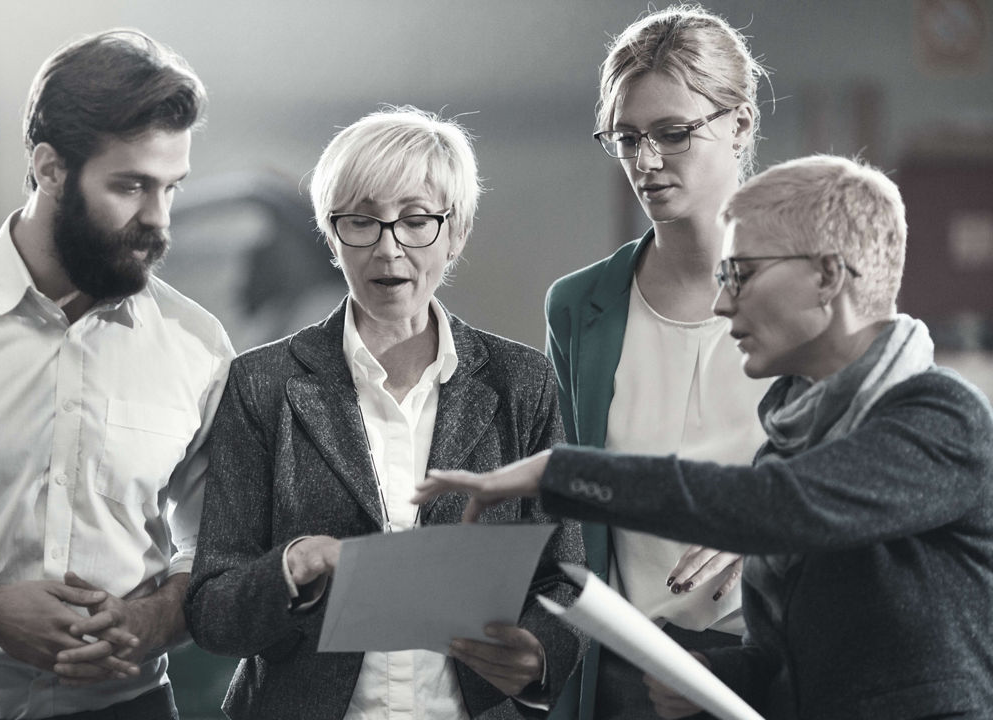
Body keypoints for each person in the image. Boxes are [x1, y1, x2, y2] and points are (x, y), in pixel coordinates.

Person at [416, 154, 993, 719]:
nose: (721, 302)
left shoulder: (940, 417)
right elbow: (796, 661)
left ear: (827, 276)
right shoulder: (795, 437)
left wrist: (561, 471)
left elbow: (778, 507)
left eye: (740, 275)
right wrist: (719, 678)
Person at [185, 107, 587, 719]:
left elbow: (567, 579)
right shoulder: (263, 383)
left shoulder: (523, 383)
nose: (388, 247)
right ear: (331, 234)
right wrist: (291, 567)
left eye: (417, 220)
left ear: (456, 234)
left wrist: (538, 652)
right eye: (361, 222)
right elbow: (213, 610)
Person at [0, 29, 233, 720]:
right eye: (131, 186)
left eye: (171, 187)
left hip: (131, 706)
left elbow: (219, 544)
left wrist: (159, 618)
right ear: (50, 169)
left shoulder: (197, 346)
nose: (158, 220)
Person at [543, 6, 772, 718]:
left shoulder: (815, 289)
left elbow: (867, 485)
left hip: (779, 665)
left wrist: (769, 527)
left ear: (738, 124)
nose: (645, 162)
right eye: (626, 138)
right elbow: (570, 506)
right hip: (626, 676)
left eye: (673, 134)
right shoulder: (579, 307)